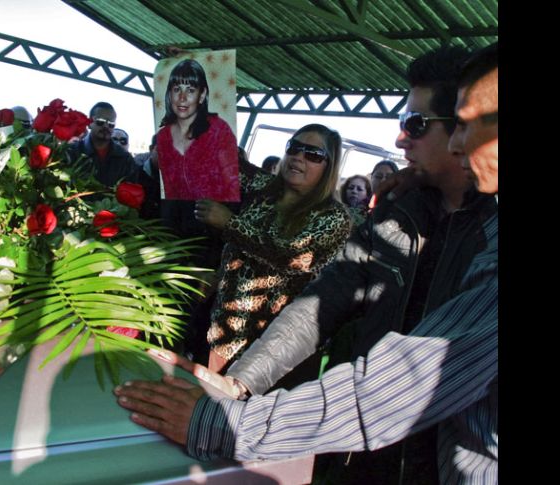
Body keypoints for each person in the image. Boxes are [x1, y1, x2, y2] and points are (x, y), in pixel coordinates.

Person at [115, 42, 498, 485]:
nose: (399, 138)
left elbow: (404, 385)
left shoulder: (483, 237)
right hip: (357, 451)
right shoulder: (398, 212)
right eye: (295, 148)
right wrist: (241, 383)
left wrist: (224, 423)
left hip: (434, 458)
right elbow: (323, 302)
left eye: (415, 123)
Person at [195, 124, 351, 373]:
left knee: (223, 408)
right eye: (294, 148)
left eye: (312, 154)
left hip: (266, 346)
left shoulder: (334, 217)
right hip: (220, 325)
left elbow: (291, 256)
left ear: (329, 166)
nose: (299, 157)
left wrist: (230, 224)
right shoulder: (264, 187)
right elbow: (222, 163)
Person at [156, 59, 239, 202]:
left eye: (190, 90)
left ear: (202, 95)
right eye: (177, 89)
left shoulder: (219, 130)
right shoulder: (163, 137)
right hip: (180, 220)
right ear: (169, 94)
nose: (182, 98)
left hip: (217, 219)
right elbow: (169, 191)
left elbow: (233, 184)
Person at [66, 101, 139, 188]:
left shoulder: (125, 158)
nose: (106, 126)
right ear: (89, 123)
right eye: (100, 121)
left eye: (111, 124)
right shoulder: (72, 152)